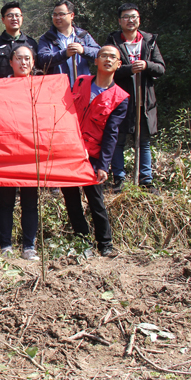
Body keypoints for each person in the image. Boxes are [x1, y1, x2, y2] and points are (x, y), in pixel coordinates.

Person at [61, 46, 129, 258]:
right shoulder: (81, 81)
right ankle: (83, 242)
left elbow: (111, 134)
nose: (108, 60)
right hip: (69, 149)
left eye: (113, 57)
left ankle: (105, 243)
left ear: (119, 64)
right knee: (71, 200)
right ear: (96, 61)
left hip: (92, 154)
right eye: (103, 56)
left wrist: (103, 164)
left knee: (95, 199)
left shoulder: (120, 97)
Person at [104, 3, 166, 192]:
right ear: (119, 21)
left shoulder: (149, 41)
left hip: (144, 99)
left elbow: (161, 68)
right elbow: (107, 67)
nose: (130, 20)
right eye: (126, 17)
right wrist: (129, 69)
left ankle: (146, 180)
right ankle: (119, 179)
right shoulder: (113, 42)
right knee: (118, 140)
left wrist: (147, 65)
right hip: (120, 99)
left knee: (143, 141)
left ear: (139, 19)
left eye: (134, 17)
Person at [0, 44, 41, 260]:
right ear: (11, 62)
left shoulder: (42, 86)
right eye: (19, 58)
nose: (24, 63)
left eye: (28, 59)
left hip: (32, 154)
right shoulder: (0, 86)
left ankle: (29, 246)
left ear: (33, 62)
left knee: (30, 202)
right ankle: (5, 245)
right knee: (6, 201)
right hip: (7, 153)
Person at [37, 0, 100, 89]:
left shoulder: (83, 36)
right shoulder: (47, 38)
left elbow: (100, 54)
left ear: (72, 15)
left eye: (61, 14)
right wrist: (65, 54)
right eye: (55, 15)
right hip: (57, 89)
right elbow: (42, 60)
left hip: (83, 89)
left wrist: (83, 50)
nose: (57, 18)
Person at [0, 2, 39, 80]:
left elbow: (37, 70)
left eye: (17, 15)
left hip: (26, 88)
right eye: (10, 15)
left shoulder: (31, 43)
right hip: (1, 89)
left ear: (22, 18)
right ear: (3, 19)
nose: (14, 18)